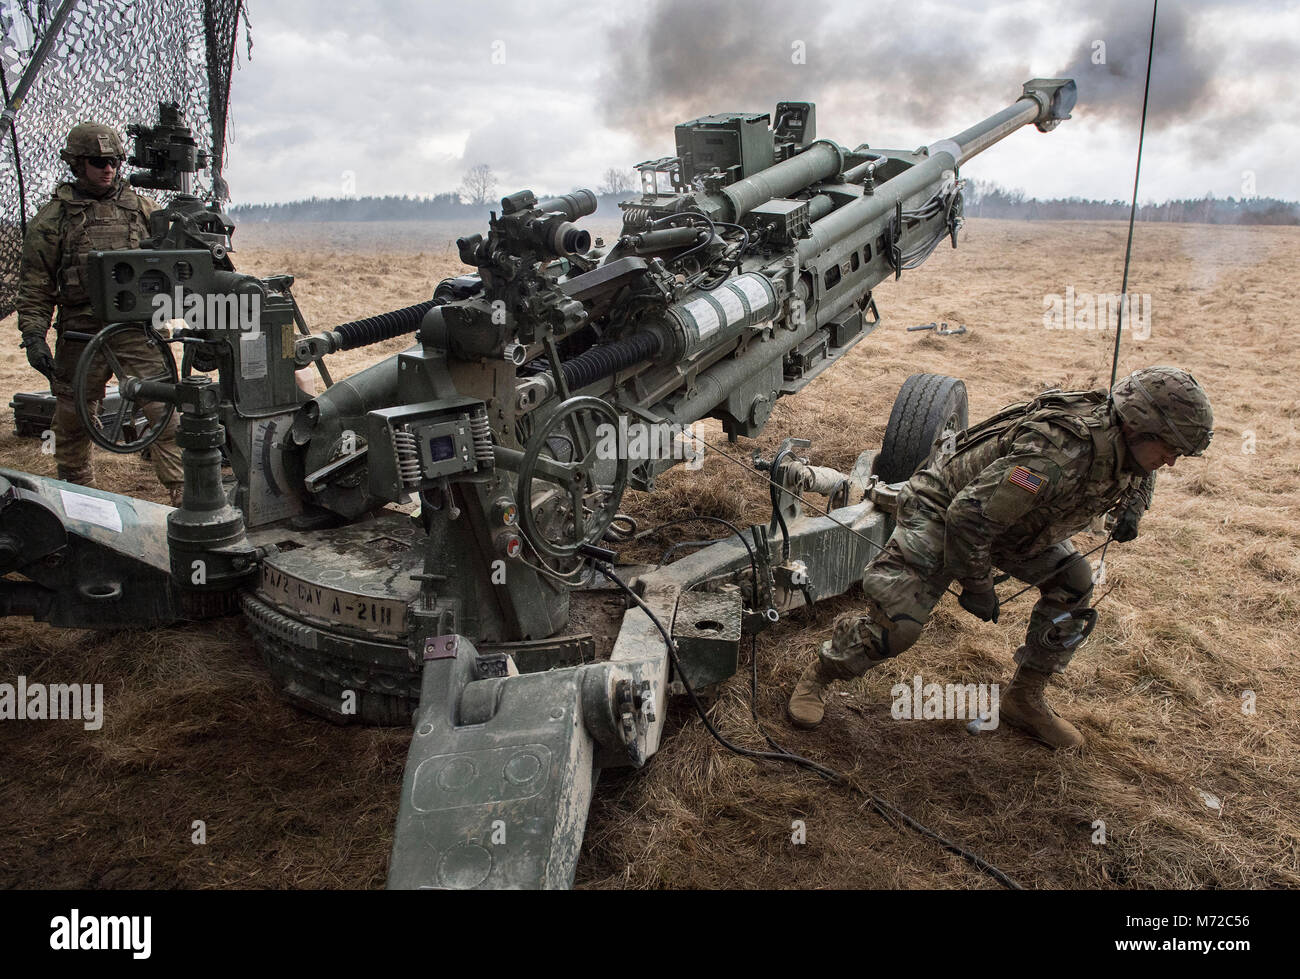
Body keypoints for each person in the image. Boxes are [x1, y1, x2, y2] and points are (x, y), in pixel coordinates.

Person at [787, 366, 1214, 749]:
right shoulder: (1055, 456)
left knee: (1075, 583)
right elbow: (968, 517)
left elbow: (1145, 468)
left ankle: (1024, 698)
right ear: (1139, 426)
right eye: (1169, 448)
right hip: (945, 512)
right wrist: (977, 585)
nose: (1170, 462)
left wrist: (1135, 505)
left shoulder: (1127, 436)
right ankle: (822, 674)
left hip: (1013, 522)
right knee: (898, 630)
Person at [15, 122, 184, 505]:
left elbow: (175, 261)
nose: (107, 169)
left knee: (164, 410)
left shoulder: (143, 210)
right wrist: (33, 336)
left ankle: (183, 491)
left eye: (113, 161)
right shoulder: (54, 218)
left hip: (134, 328)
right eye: (97, 161)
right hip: (80, 329)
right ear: (77, 164)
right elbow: (36, 285)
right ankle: (77, 492)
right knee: (73, 416)